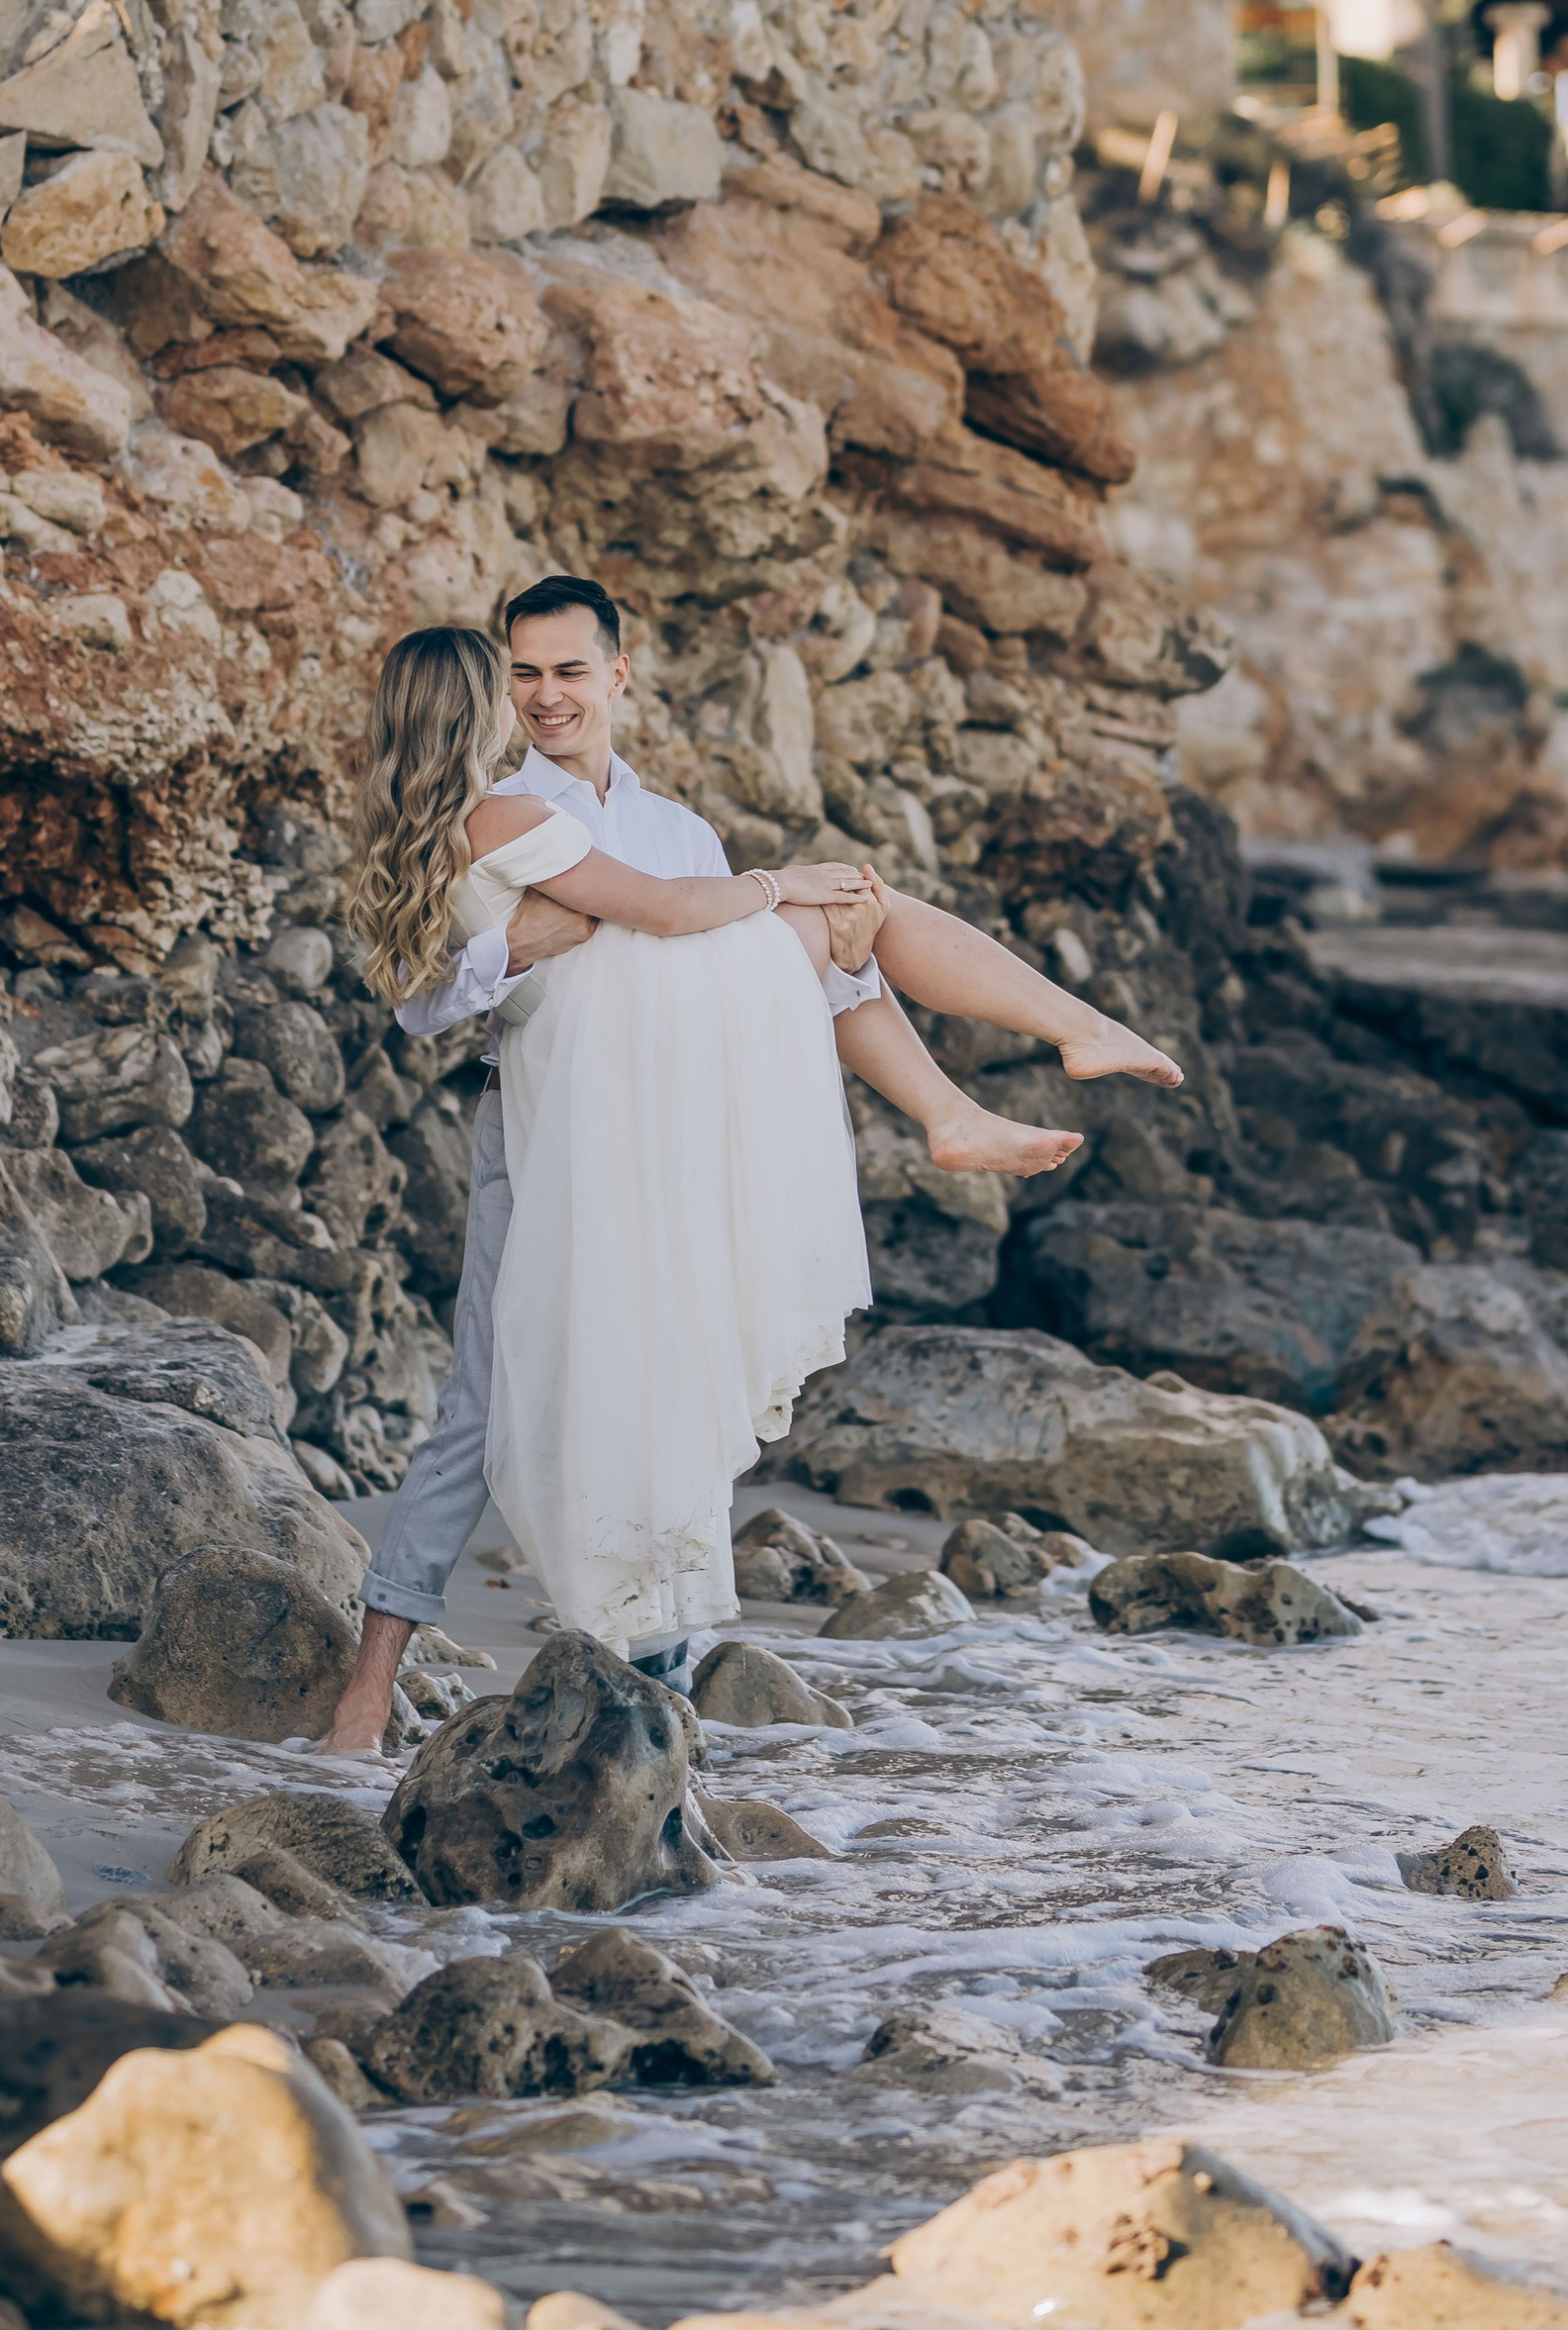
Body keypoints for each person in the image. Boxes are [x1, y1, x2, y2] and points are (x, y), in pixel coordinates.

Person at [324, 574, 1182, 1749]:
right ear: (492, 687)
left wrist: (696, 910)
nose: (545, 695)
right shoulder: (499, 804)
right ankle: (369, 1688)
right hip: (550, 1118)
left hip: (679, 1111)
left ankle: (660, 1667)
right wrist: (557, 936)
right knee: (484, 1395)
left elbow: (689, 922)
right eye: (521, 674)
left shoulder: (678, 828)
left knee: (678, 1360)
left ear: (617, 675)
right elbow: (441, 1001)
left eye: (569, 672)